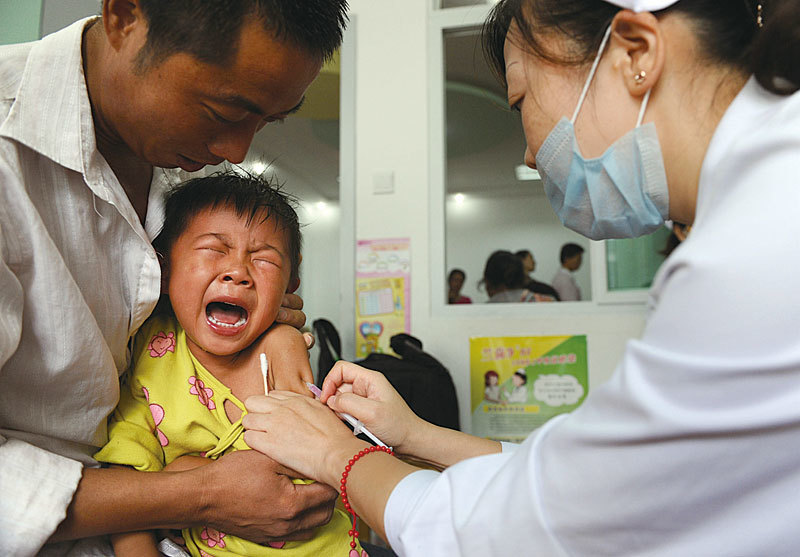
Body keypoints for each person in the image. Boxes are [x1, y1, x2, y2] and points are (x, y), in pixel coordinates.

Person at [240, 0, 800, 555]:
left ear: (636, 52)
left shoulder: (756, 242)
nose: (531, 155)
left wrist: (337, 455)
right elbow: (587, 476)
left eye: (520, 101)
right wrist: (413, 436)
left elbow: (539, 525)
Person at [0, 1, 349, 554]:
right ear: (124, 17)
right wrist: (197, 493)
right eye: (224, 109)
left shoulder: (172, 162)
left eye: (270, 120)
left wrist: (277, 335)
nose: (236, 152)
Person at [94, 173, 366, 557]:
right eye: (213, 249)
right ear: (164, 267)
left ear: (292, 281)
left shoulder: (285, 359)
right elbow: (126, 464)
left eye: (264, 259)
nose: (238, 271)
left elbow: (313, 479)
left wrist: (180, 471)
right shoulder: (150, 352)